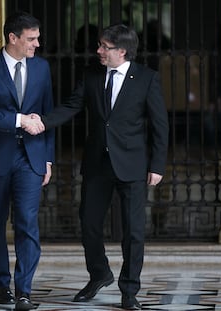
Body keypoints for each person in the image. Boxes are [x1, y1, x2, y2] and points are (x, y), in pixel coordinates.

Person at [26, 24, 169, 310]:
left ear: (122, 51)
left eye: (105, 47)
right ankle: (99, 273)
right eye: (100, 45)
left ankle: (129, 290)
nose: (98, 51)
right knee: (89, 223)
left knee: (133, 232)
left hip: (132, 164)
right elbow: (71, 106)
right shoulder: (92, 74)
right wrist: (41, 121)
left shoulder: (146, 78)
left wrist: (157, 165)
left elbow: (159, 125)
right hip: (97, 164)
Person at [0, 11, 54, 311]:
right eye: (31, 39)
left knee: (28, 223)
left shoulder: (42, 69)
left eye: (37, 38)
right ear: (12, 38)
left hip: (31, 157)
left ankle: (24, 291)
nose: (37, 44)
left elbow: (47, 115)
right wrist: (19, 120)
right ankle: (2, 285)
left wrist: (48, 159)